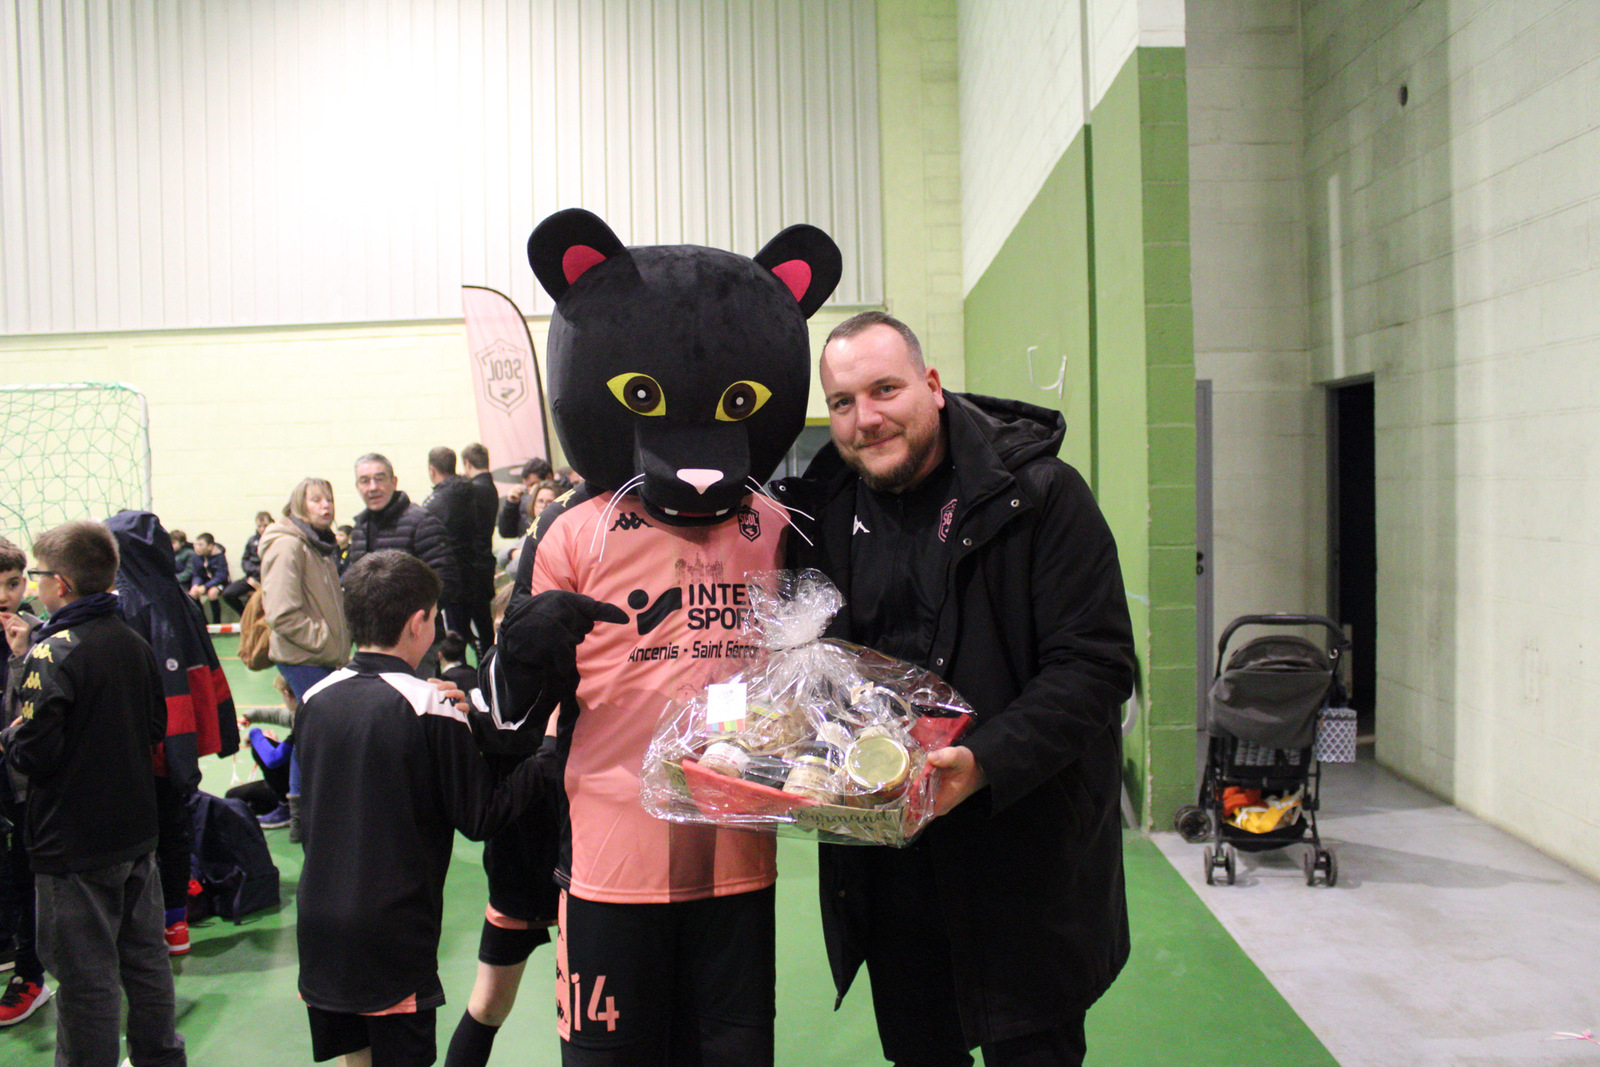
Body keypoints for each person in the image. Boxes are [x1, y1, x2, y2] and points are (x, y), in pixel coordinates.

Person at [770, 311, 1137, 1067]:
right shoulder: (821, 519)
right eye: (843, 402)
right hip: (891, 871)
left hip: (1023, 856)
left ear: (932, 386)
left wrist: (986, 762)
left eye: (885, 389)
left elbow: (1095, 666)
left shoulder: (1039, 496)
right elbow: (813, 677)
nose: (866, 418)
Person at [294, 550, 557, 1067]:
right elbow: (482, 817)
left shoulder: (315, 699)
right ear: (419, 622)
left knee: (357, 1056)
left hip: (319, 921)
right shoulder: (429, 705)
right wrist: (547, 754)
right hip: (390, 927)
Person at [0, 521, 187, 1065]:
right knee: (145, 962)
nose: (33, 586)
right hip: (135, 832)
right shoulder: (133, 641)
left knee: (86, 979)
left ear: (59, 584)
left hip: (73, 843)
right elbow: (155, 727)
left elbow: (34, 755)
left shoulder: (51, 653)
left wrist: (12, 737)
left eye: (35, 576)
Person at [107, 510, 242, 958]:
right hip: (177, 741)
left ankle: (146, 926)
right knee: (175, 828)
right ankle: (176, 922)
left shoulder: (127, 603)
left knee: (142, 837)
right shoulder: (177, 597)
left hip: (145, 743)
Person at [260, 477, 350, 843]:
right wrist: (326, 641)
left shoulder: (318, 544)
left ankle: (303, 815)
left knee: (309, 733)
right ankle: (308, 816)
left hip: (321, 657)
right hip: (305, 657)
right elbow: (281, 613)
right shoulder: (288, 545)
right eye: (316, 500)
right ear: (299, 504)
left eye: (329, 499)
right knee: (319, 736)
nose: (326, 506)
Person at [348, 453, 460, 678]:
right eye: (365, 481)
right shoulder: (360, 529)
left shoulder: (422, 522)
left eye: (380, 478)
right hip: (370, 646)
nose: (373, 487)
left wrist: (405, 621)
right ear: (358, 486)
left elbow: (446, 583)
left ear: (394, 481)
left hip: (414, 644)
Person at [0, 536, 49, 1025]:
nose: (4, 596)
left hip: (23, 783)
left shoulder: (39, 638)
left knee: (26, 875)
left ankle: (30, 975)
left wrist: (19, 657)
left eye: (13, 583)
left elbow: (29, 714)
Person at [423, 446, 480, 649]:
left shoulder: (434, 504)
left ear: (432, 470)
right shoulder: (472, 491)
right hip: (472, 567)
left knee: (454, 636)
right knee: (471, 629)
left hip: (449, 574)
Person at [459, 443, 500, 657]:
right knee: (484, 623)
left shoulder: (473, 490)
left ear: (467, 463)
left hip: (474, 565)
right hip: (485, 559)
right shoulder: (489, 486)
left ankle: (485, 664)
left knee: (480, 626)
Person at [223, 511, 273, 617]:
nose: (262, 529)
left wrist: (259, 576)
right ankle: (246, 616)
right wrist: (252, 575)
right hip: (252, 577)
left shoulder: (277, 539)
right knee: (228, 594)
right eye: (259, 526)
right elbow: (245, 560)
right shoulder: (252, 541)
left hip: (270, 579)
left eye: (265, 526)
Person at [495, 457, 552, 540]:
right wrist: (511, 504)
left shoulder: (564, 497)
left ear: (548, 478)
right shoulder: (523, 499)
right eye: (527, 486)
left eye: (533, 485)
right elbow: (506, 532)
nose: (530, 490)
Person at [188, 532, 229, 624]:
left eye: (200, 545)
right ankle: (202, 622)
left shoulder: (219, 556)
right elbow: (197, 574)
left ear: (210, 546)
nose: (197, 548)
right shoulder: (197, 557)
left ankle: (216, 623)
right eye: (196, 545)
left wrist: (205, 587)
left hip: (220, 582)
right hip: (206, 582)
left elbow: (221, 576)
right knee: (193, 593)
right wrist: (195, 585)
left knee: (212, 593)